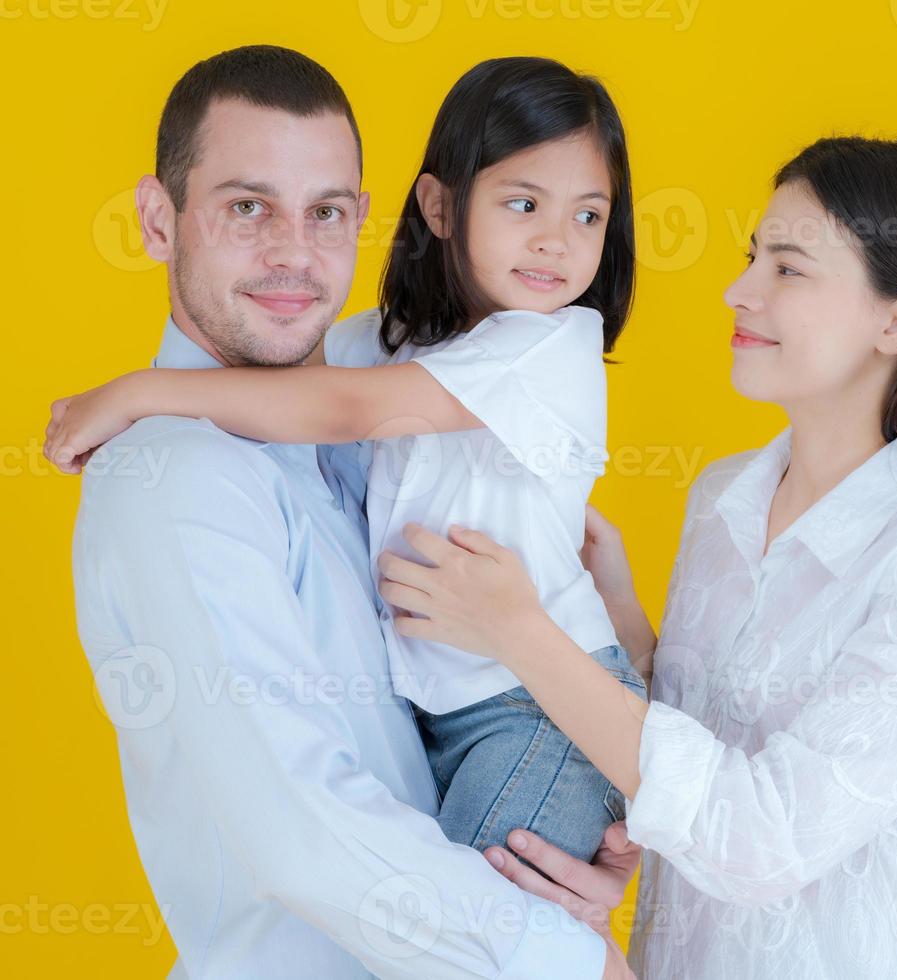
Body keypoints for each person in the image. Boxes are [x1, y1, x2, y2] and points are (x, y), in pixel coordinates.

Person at [371, 136, 897, 978]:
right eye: (752, 258)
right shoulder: (725, 496)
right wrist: (627, 638)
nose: (738, 291)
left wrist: (523, 633)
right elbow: (699, 753)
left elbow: (764, 837)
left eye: (788, 268)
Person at [55, 45, 633, 979]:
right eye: (247, 208)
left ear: (364, 220)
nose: (292, 252)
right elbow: (299, 828)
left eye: (324, 213)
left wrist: (555, 861)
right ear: (159, 222)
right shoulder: (179, 474)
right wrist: (569, 957)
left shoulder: (362, 424)